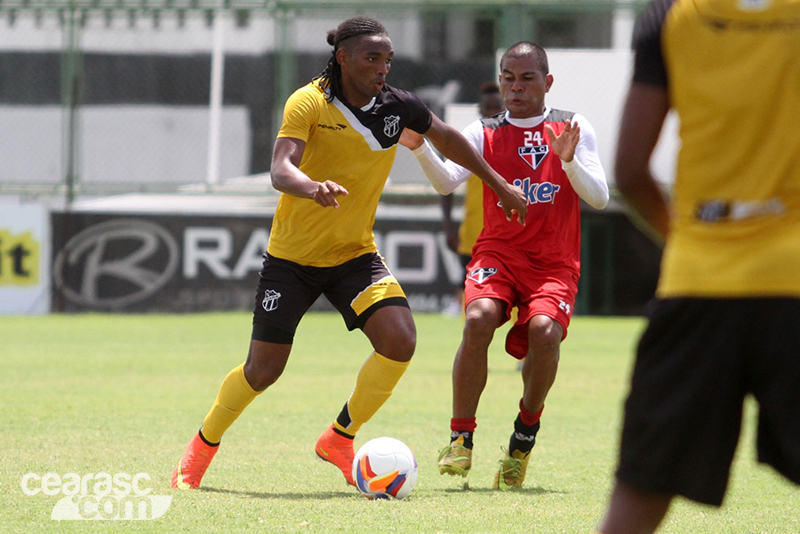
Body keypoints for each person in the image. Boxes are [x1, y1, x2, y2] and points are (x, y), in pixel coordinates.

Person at [170, 16, 527, 491]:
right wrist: (312, 186)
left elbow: (446, 138)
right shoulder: (309, 102)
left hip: (355, 257)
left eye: (387, 60)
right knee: (263, 371)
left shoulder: (397, 107)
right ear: (343, 57)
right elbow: (280, 169)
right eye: (372, 58)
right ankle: (200, 449)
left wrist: (498, 183)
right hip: (292, 260)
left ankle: (340, 438)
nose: (383, 68)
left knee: (400, 341)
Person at [596, 0, 800, 532]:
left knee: (641, 489)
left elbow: (630, 169)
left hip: (698, 280)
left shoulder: (668, 14)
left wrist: (685, 239)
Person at [404, 41, 608, 489]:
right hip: (498, 253)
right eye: (508, 78)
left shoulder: (572, 126)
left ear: (547, 82)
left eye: (527, 78)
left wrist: (569, 160)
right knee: (476, 318)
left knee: (544, 333)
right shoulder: (482, 131)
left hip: (554, 263)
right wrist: (420, 149)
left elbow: (599, 196)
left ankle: (523, 437)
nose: (516, 87)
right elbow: (445, 183)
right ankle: (461, 436)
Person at [440, 82, 504, 314]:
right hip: (475, 232)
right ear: (480, 110)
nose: (493, 112)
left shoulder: (516, 141)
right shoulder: (471, 142)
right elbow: (446, 182)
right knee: (470, 283)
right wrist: (448, 226)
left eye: (497, 107)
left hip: (508, 233)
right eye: (488, 107)